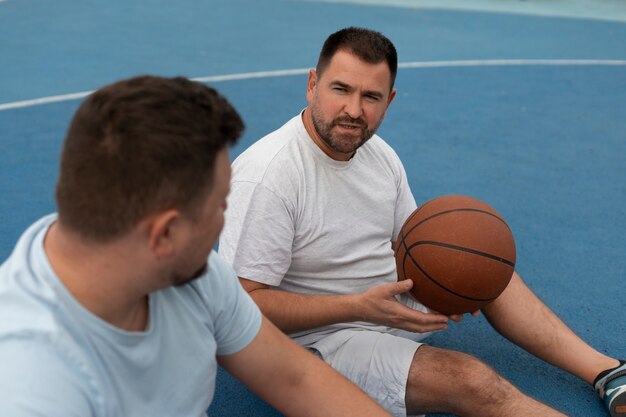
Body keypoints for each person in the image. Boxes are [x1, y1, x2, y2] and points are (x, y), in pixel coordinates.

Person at [219, 27, 626, 417]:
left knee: (480, 259)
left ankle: (608, 372)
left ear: (390, 100)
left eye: (371, 96)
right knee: (473, 381)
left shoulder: (381, 157)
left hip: (382, 303)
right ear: (312, 84)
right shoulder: (269, 175)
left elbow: (410, 245)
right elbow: (243, 308)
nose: (354, 110)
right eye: (340, 89)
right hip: (319, 340)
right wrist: (358, 306)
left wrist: (453, 282)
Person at [0, 75, 394, 417]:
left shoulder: (194, 273)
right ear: (165, 235)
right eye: (221, 204)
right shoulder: (32, 383)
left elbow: (296, 378)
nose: (226, 219)